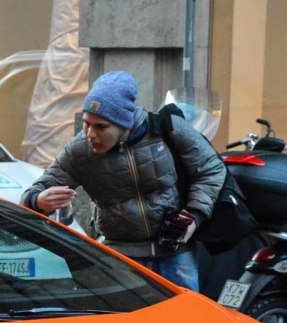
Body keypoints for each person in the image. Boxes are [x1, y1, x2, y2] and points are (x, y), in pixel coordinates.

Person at [21, 71, 224, 291]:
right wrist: (38, 200)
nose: (90, 134)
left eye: (101, 127)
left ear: (124, 123)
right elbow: (32, 194)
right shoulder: (80, 149)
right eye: (87, 123)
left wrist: (194, 216)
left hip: (175, 253)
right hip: (120, 258)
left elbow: (211, 170)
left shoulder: (167, 128)